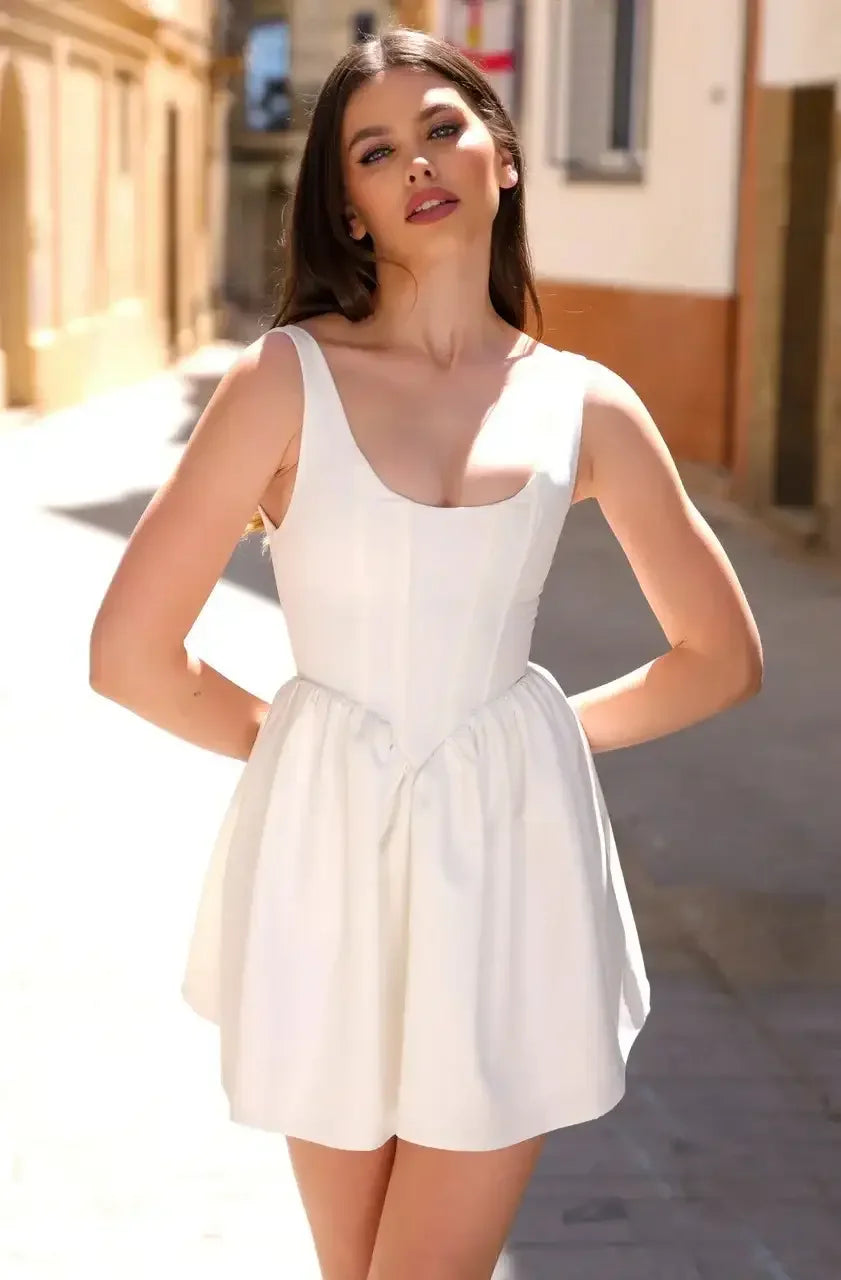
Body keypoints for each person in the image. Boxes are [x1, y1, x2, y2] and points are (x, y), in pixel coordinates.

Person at [89, 26, 763, 1280]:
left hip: (507, 858)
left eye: (443, 128)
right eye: (374, 150)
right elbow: (129, 650)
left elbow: (718, 655)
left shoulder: (587, 401)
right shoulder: (281, 379)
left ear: (502, 157)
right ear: (345, 206)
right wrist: (300, 743)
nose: (416, 162)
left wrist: (537, 734)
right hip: (324, 860)